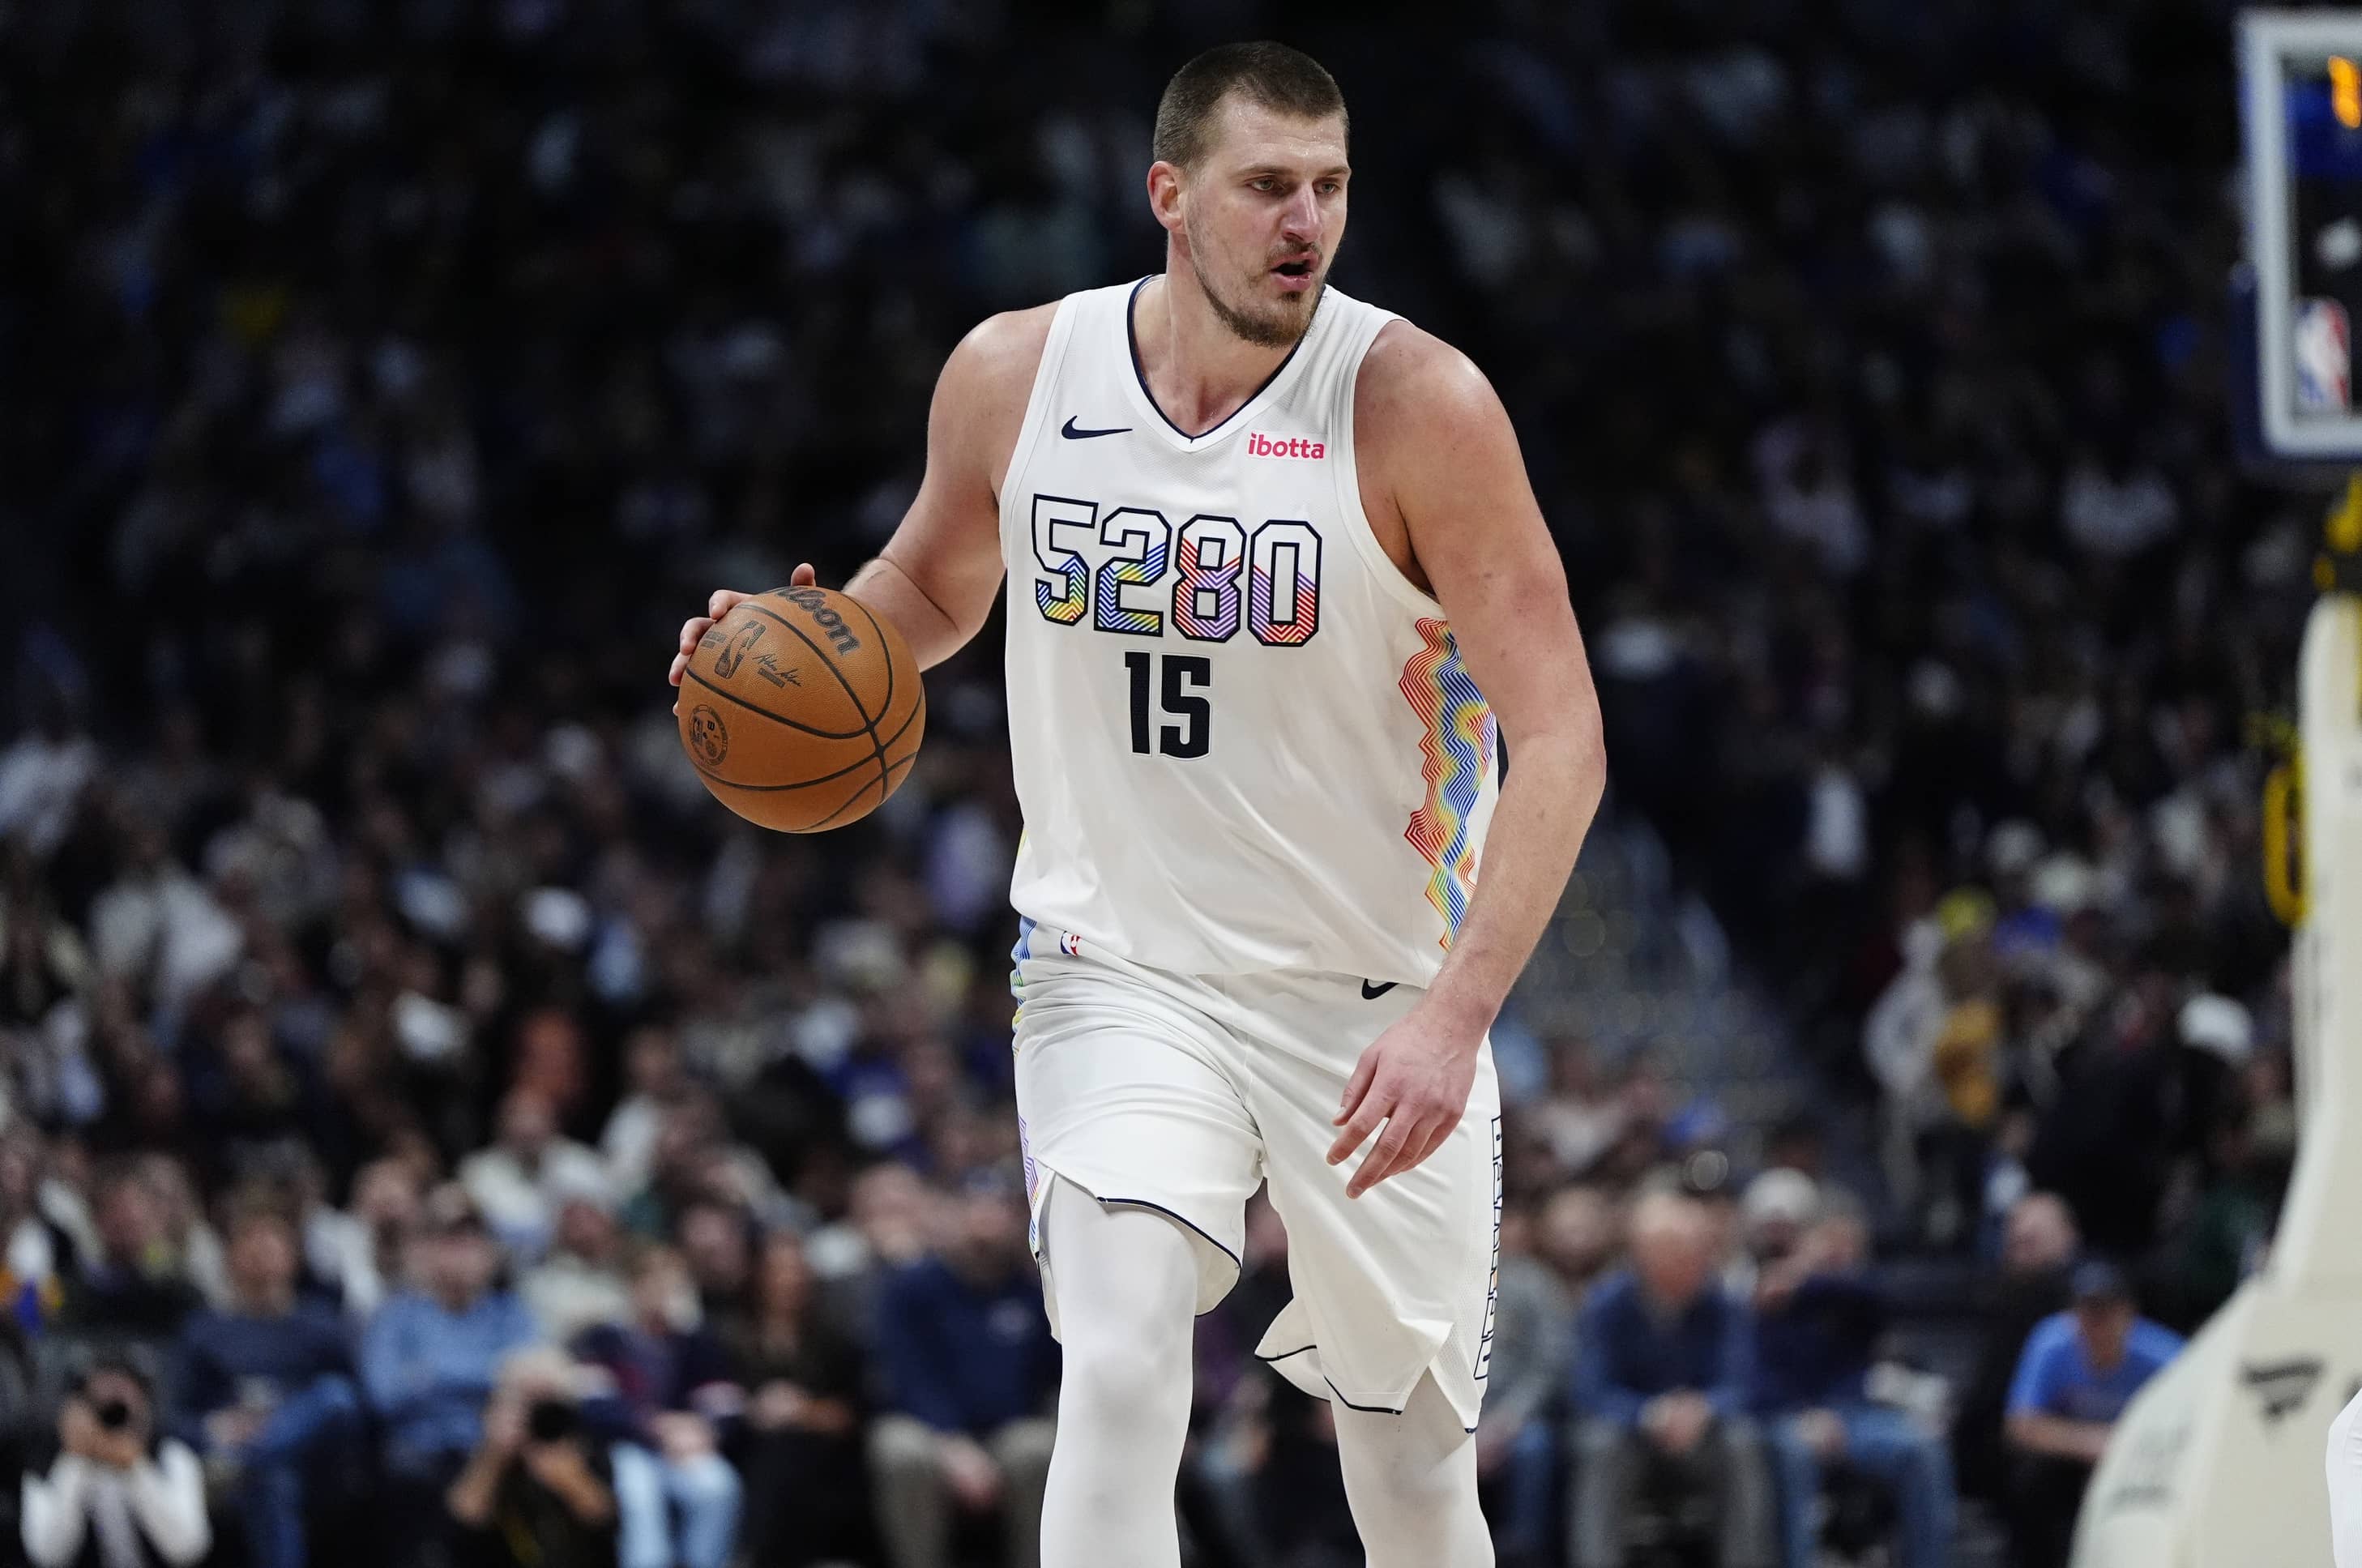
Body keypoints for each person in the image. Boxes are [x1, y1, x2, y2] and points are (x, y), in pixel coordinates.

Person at [667, 39, 1604, 1568]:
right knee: (1114, 1368)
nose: (1306, 221)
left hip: (1373, 1005)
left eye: (1330, 188)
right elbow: (925, 592)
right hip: (1120, 970)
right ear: (1169, 196)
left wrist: (1459, 1020)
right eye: (1266, 188)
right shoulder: (1019, 375)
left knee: (1414, 1479)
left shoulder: (1418, 404)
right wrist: (778, 654)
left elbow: (1562, 736)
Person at [1570, 1190, 1774, 1568]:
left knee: (1742, 1443)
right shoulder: (1607, 1304)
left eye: (1698, 1249)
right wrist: (1651, 1414)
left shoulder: (1721, 1303)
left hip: (1702, 1436)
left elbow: (1743, 1383)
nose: (1695, 1259)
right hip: (1634, 1436)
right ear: (1645, 1256)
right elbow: (1590, 1391)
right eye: (1679, 1249)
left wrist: (1703, 1408)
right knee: (1598, 1445)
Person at [869, 1177, 1058, 1568]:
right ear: (950, 1219)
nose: (984, 1225)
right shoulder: (911, 1287)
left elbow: (1054, 1374)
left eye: (996, 1212)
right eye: (974, 1211)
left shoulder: (1033, 1288)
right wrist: (951, 1443)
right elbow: (906, 1376)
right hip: (930, 1430)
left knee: (1038, 1448)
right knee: (899, 1449)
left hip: (1011, 1427)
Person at [1754, 1196, 1953, 1568]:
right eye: (1830, 1242)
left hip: (1855, 1417)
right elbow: (1756, 1379)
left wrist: (1810, 1280)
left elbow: (1880, 1299)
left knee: (1922, 1449)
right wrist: (1805, 1416)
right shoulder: (1770, 1295)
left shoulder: (1851, 1297)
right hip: (1785, 1419)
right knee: (1794, 1453)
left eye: (1849, 1246)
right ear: (1805, 1240)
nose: (1838, 1254)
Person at [170, 1197, 362, 1568]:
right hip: (243, 1465)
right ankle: (259, 1457)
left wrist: (274, 1431)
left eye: (272, 1239)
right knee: (272, 1476)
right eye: (249, 1239)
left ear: (294, 1257)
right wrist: (214, 1428)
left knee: (335, 1397)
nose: (260, 1249)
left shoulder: (321, 1323)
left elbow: (357, 1404)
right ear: (229, 1257)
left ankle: (259, 1451)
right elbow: (173, 1415)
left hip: (316, 1463)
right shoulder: (205, 1330)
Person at [361, 1185, 541, 1562]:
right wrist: (492, 1375)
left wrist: (430, 1376)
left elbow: (531, 1378)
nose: (462, 1254)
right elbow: (384, 1396)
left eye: (474, 1242)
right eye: (450, 1241)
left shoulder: (510, 1314)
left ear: (491, 1254)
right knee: (406, 1471)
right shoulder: (397, 1315)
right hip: (420, 1452)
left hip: (497, 1444)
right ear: (426, 1250)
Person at [2003, 1261, 2185, 1568]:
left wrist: (2126, 1445)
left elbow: (2194, 1419)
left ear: (2127, 1313)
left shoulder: (2166, 1355)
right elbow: (2020, 1426)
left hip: (2142, 1461)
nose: (2095, 1324)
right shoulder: (2052, 1342)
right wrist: (2091, 1442)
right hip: (2072, 1461)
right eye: (2087, 1312)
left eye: (2104, 1312)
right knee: (2031, 1479)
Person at [568, 1245, 740, 1568]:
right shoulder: (603, 1339)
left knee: (719, 1486)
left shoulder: (696, 1341)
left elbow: (726, 1403)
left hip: (686, 1445)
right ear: (633, 1286)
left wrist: (704, 1430)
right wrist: (654, 1427)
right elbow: (595, 1405)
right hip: (629, 1445)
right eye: (652, 1282)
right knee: (639, 1494)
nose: (662, 1293)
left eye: (671, 1284)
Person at [724, 1230, 869, 1568]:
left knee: (790, 1451)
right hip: (753, 1453)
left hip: (826, 1461)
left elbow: (854, 1412)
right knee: (774, 1455)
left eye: (796, 1270)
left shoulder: (833, 1337)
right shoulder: (733, 1337)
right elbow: (722, 1401)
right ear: (759, 1277)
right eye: (778, 1271)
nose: (788, 1281)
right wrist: (754, 1410)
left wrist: (801, 1411)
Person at [22, 1353, 211, 1568]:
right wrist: (76, 1458)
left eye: (122, 1401)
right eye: (101, 1401)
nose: (113, 1414)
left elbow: (187, 1550)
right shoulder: (46, 1463)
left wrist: (136, 1467)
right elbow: (48, 1556)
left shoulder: (172, 1457)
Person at [1954, 1192, 2078, 1506]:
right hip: (2005, 1441)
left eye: (2032, 1241)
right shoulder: (2001, 1300)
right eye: (2016, 1242)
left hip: (2064, 1436)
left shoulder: (2087, 1302)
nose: (2022, 1250)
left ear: (2068, 1238)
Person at [446, 1347, 618, 1568]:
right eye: (529, 1402)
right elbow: (464, 1521)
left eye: (547, 1401)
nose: (538, 1415)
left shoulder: (583, 1443)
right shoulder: (484, 1449)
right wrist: (494, 1456)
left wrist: (570, 1477)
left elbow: (604, 1522)